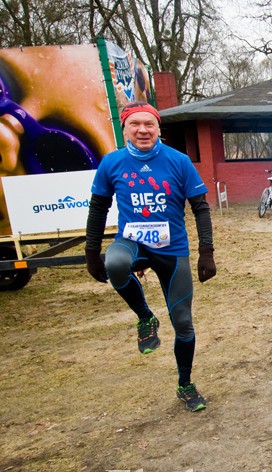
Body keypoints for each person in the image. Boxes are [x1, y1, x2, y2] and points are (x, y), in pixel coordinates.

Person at [84, 101, 217, 412]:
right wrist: (91, 253)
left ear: (158, 128)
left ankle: (185, 384)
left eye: (149, 124)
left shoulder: (179, 161)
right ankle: (145, 318)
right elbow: (98, 209)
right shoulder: (111, 163)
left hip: (172, 251)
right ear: (125, 129)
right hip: (131, 242)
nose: (142, 130)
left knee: (183, 323)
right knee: (114, 263)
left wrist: (206, 252)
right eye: (135, 124)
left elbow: (200, 207)